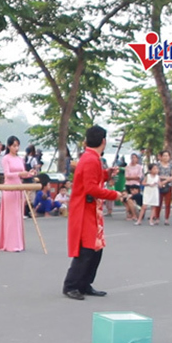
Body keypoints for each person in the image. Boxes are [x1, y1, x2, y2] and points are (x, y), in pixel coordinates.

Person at [62, 125, 120, 300]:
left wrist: (105, 174)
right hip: (85, 209)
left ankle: (84, 283)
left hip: (90, 208)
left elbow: (92, 179)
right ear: (104, 141)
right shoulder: (91, 159)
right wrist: (115, 194)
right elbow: (91, 188)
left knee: (95, 248)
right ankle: (71, 285)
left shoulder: (90, 158)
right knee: (87, 249)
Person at [0, 136, 35, 252]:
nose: (16, 148)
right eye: (14, 146)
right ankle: (9, 243)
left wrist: (29, 174)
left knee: (18, 215)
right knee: (11, 216)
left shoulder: (20, 159)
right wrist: (19, 173)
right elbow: (7, 174)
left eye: (17, 146)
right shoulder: (6, 159)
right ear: (9, 146)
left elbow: (22, 174)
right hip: (9, 187)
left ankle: (17, 242)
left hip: (18, 187)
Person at [155, 150, 172, 225]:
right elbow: (156, 174)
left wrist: (166, 180)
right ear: (161, 157)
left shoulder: (171, 165)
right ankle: (157, 218)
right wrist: (162, 180)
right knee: (158, 203)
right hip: (159, 185)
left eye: (167, 156)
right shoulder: (158, 165)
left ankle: (167, 218)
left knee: (168, 203)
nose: (166, 157)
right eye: (164, 156)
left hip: (168, 185)